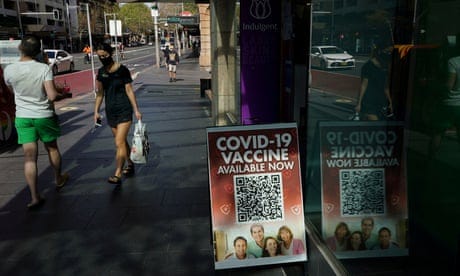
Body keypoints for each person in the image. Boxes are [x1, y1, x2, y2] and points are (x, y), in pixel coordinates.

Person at [3, 35, 69, 210]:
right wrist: (63, 94)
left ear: (20, 48)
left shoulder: (9, 70)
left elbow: (12, 91)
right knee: (52, 148)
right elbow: (52, 96)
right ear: (38, 51)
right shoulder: (43, 68)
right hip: (43, 116)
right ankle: (58, 178)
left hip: (23, 117)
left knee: (29, 157)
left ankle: (34, 196)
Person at [94, 43, 142, 185]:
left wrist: (136, 109)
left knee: (118, 142)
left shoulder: (122, 70)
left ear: (111, 53)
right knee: (122, 142)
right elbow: (100, 93)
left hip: (124, 109)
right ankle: (131, 163)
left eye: (105, 55)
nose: (102, 58)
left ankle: (117, 173)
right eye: (100, 56)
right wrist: (96, 111)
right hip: (111, 111)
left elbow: (129, 90)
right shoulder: (101, 72)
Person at [428, 53, 460, 156]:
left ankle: (429, 162)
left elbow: (449, 86)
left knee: (438, 133)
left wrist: (433, 86)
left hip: (449, 104)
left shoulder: (454, 61)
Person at [355, 41, 394, 120]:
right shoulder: (368, 66)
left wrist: (390, 102)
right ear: (380, 51)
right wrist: (359, 103)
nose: (389, 54)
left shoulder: (385, 67)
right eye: (387, 51)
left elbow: (386, 87)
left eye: (391, 52)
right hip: (369, 101)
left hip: (380, 101)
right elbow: (364, 85)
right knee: (374, 123)